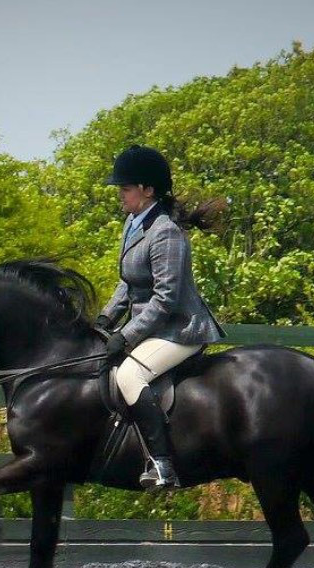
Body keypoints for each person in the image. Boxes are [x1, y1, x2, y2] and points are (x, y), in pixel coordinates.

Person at [95, 144, 227, 489]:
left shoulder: (165, 231)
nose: (120, 196)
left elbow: (165, 298)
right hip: (154, 328)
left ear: (147, 190)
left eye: (125, 189)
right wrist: (105, 320)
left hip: (180, 330)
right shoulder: (134, 223)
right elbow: (129, 282)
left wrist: (127, 336)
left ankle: (162, 464)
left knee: (129, 376)